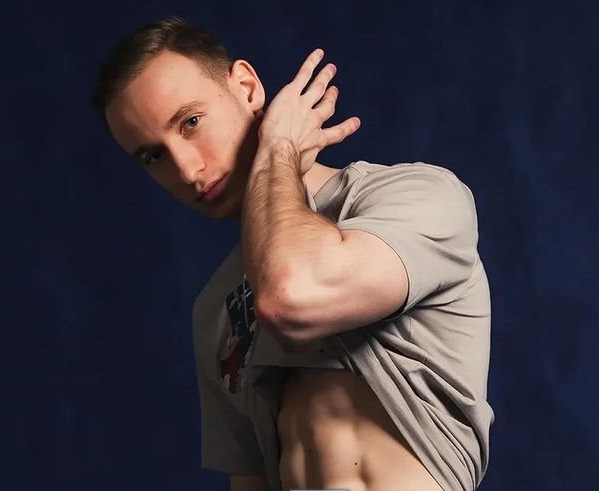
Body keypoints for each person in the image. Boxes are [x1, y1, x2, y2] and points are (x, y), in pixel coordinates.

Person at [90, 17, 494, 491]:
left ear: (246, 87)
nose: (187, 169)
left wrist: (278, 144)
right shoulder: (216, 307)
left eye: (191, 123)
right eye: (154, 156)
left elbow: (292, 298)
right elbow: (251, 480)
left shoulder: (416, 196)